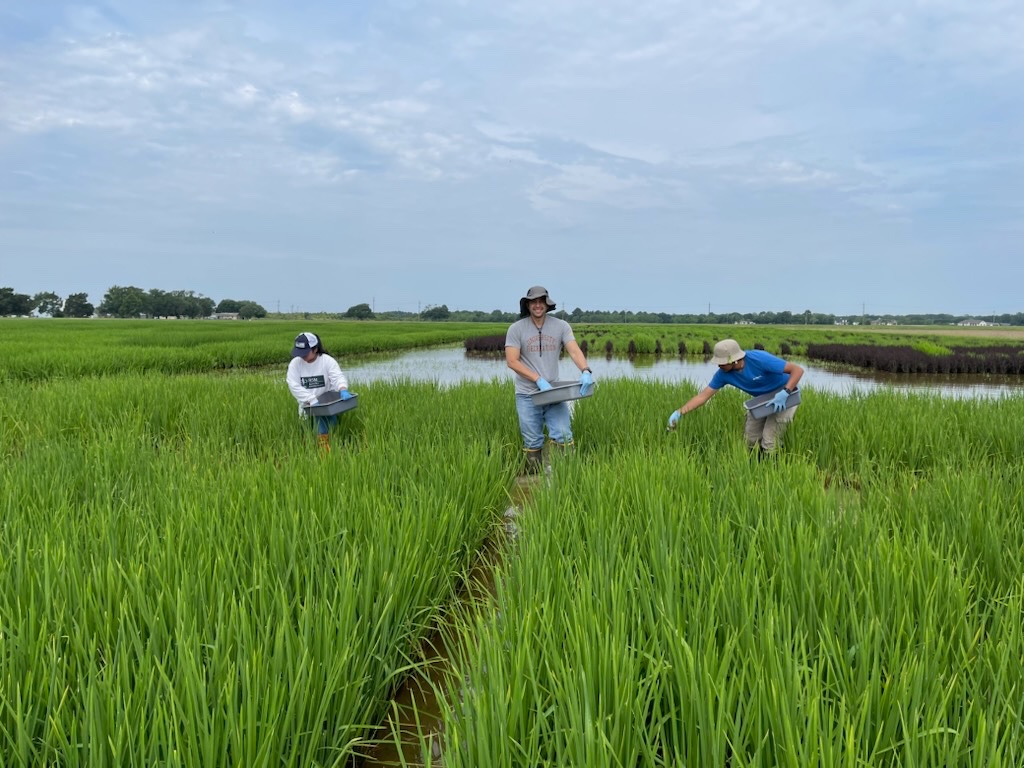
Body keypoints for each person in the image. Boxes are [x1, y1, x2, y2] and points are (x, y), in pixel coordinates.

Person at [505, 286, 594, 472]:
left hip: (553, 393)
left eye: (541, 301)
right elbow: (512, 361)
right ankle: (532, 483)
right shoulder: (516, 329)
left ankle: (566, 478)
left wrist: (585, 370)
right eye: (533, 302)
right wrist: (537, 379)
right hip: (527, 394)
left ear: (547, 304)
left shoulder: (561, 326)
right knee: (532, 441)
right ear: (528, 305)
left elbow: (574, 350)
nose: (537, 305)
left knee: (564, 435)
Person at [667, 338, 803, 455]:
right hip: (762, 401)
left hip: (785, 396)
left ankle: (772, 472)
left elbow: (797, 370)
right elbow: (703, 396)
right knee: (750, 438)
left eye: (722, 362)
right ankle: (754, 470)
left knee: (770, 440)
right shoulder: (723, 374)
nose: (719, 365)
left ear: (734, 360)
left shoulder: (759, 359)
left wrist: (785, 392)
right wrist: (679, 412)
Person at [286, 331, 353, 451]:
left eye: (305, 353)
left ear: (315, 349)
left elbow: (337, 376)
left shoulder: (327, 361)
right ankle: (314, 454)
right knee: (308, 435)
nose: (302, 356)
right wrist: (311, 399)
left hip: (327, 406)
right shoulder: (295, 364)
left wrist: (343, 389)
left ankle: (329, 455)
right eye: (300, 353)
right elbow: (293, 385)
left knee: (332, 433)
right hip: (307, 407)